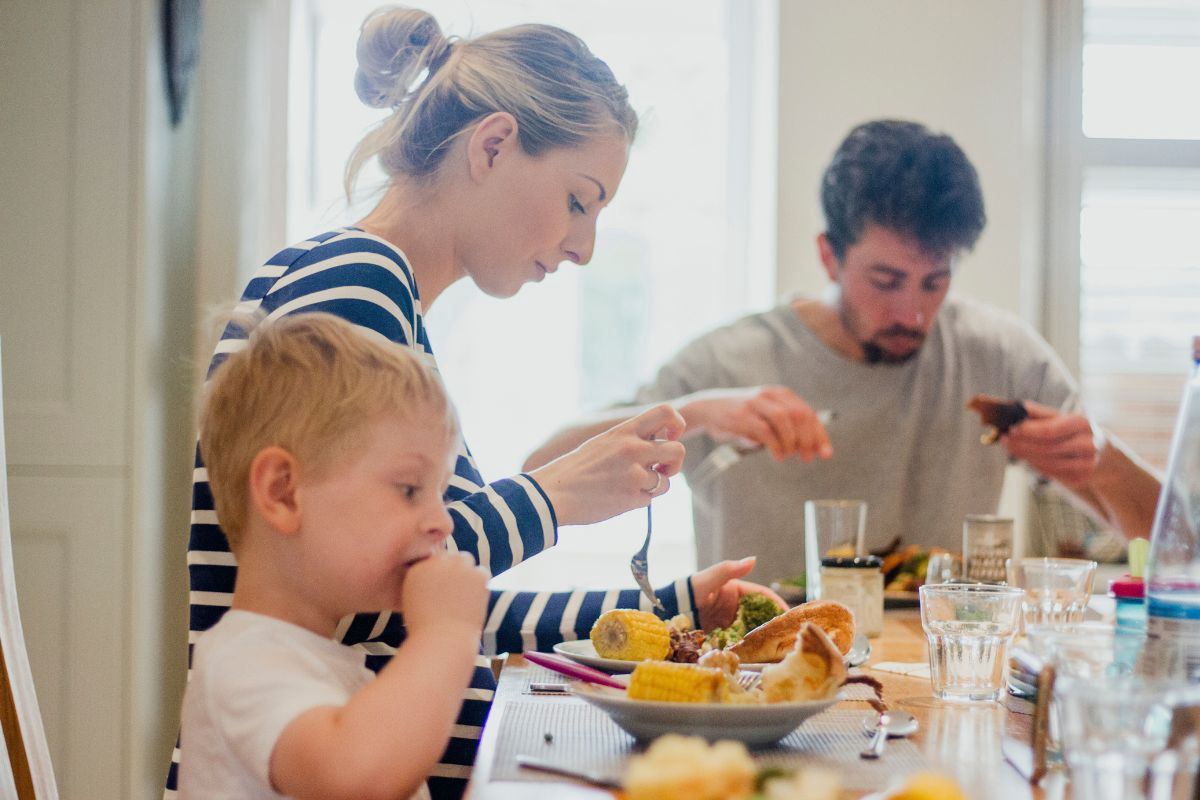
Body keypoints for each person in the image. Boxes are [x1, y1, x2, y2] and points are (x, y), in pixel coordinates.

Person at [168, 8, 782, 799]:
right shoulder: (354, 286)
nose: (584, 246)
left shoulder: (380, 296)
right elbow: (404, 583)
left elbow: (435, 600)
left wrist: (675, 610)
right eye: (578, 200)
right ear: (491, 146)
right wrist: (556, 495)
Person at [525, 119, 1162, 584]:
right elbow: (541, 468)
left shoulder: (996, 354)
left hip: (936, 683)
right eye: (885, 282)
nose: (912, 313)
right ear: (829, 254)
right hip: (759, 678)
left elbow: (1175, 545)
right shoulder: (728, 364)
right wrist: (700, 411)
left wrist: (1100, 460)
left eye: (935, 282)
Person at [180, 312, 488, 799]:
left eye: (441, 493)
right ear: (284, 493)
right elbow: (356, 776)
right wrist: (446, 634)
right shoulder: (243, 663)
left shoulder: (320, 662)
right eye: (410, 489)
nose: (443, 521)